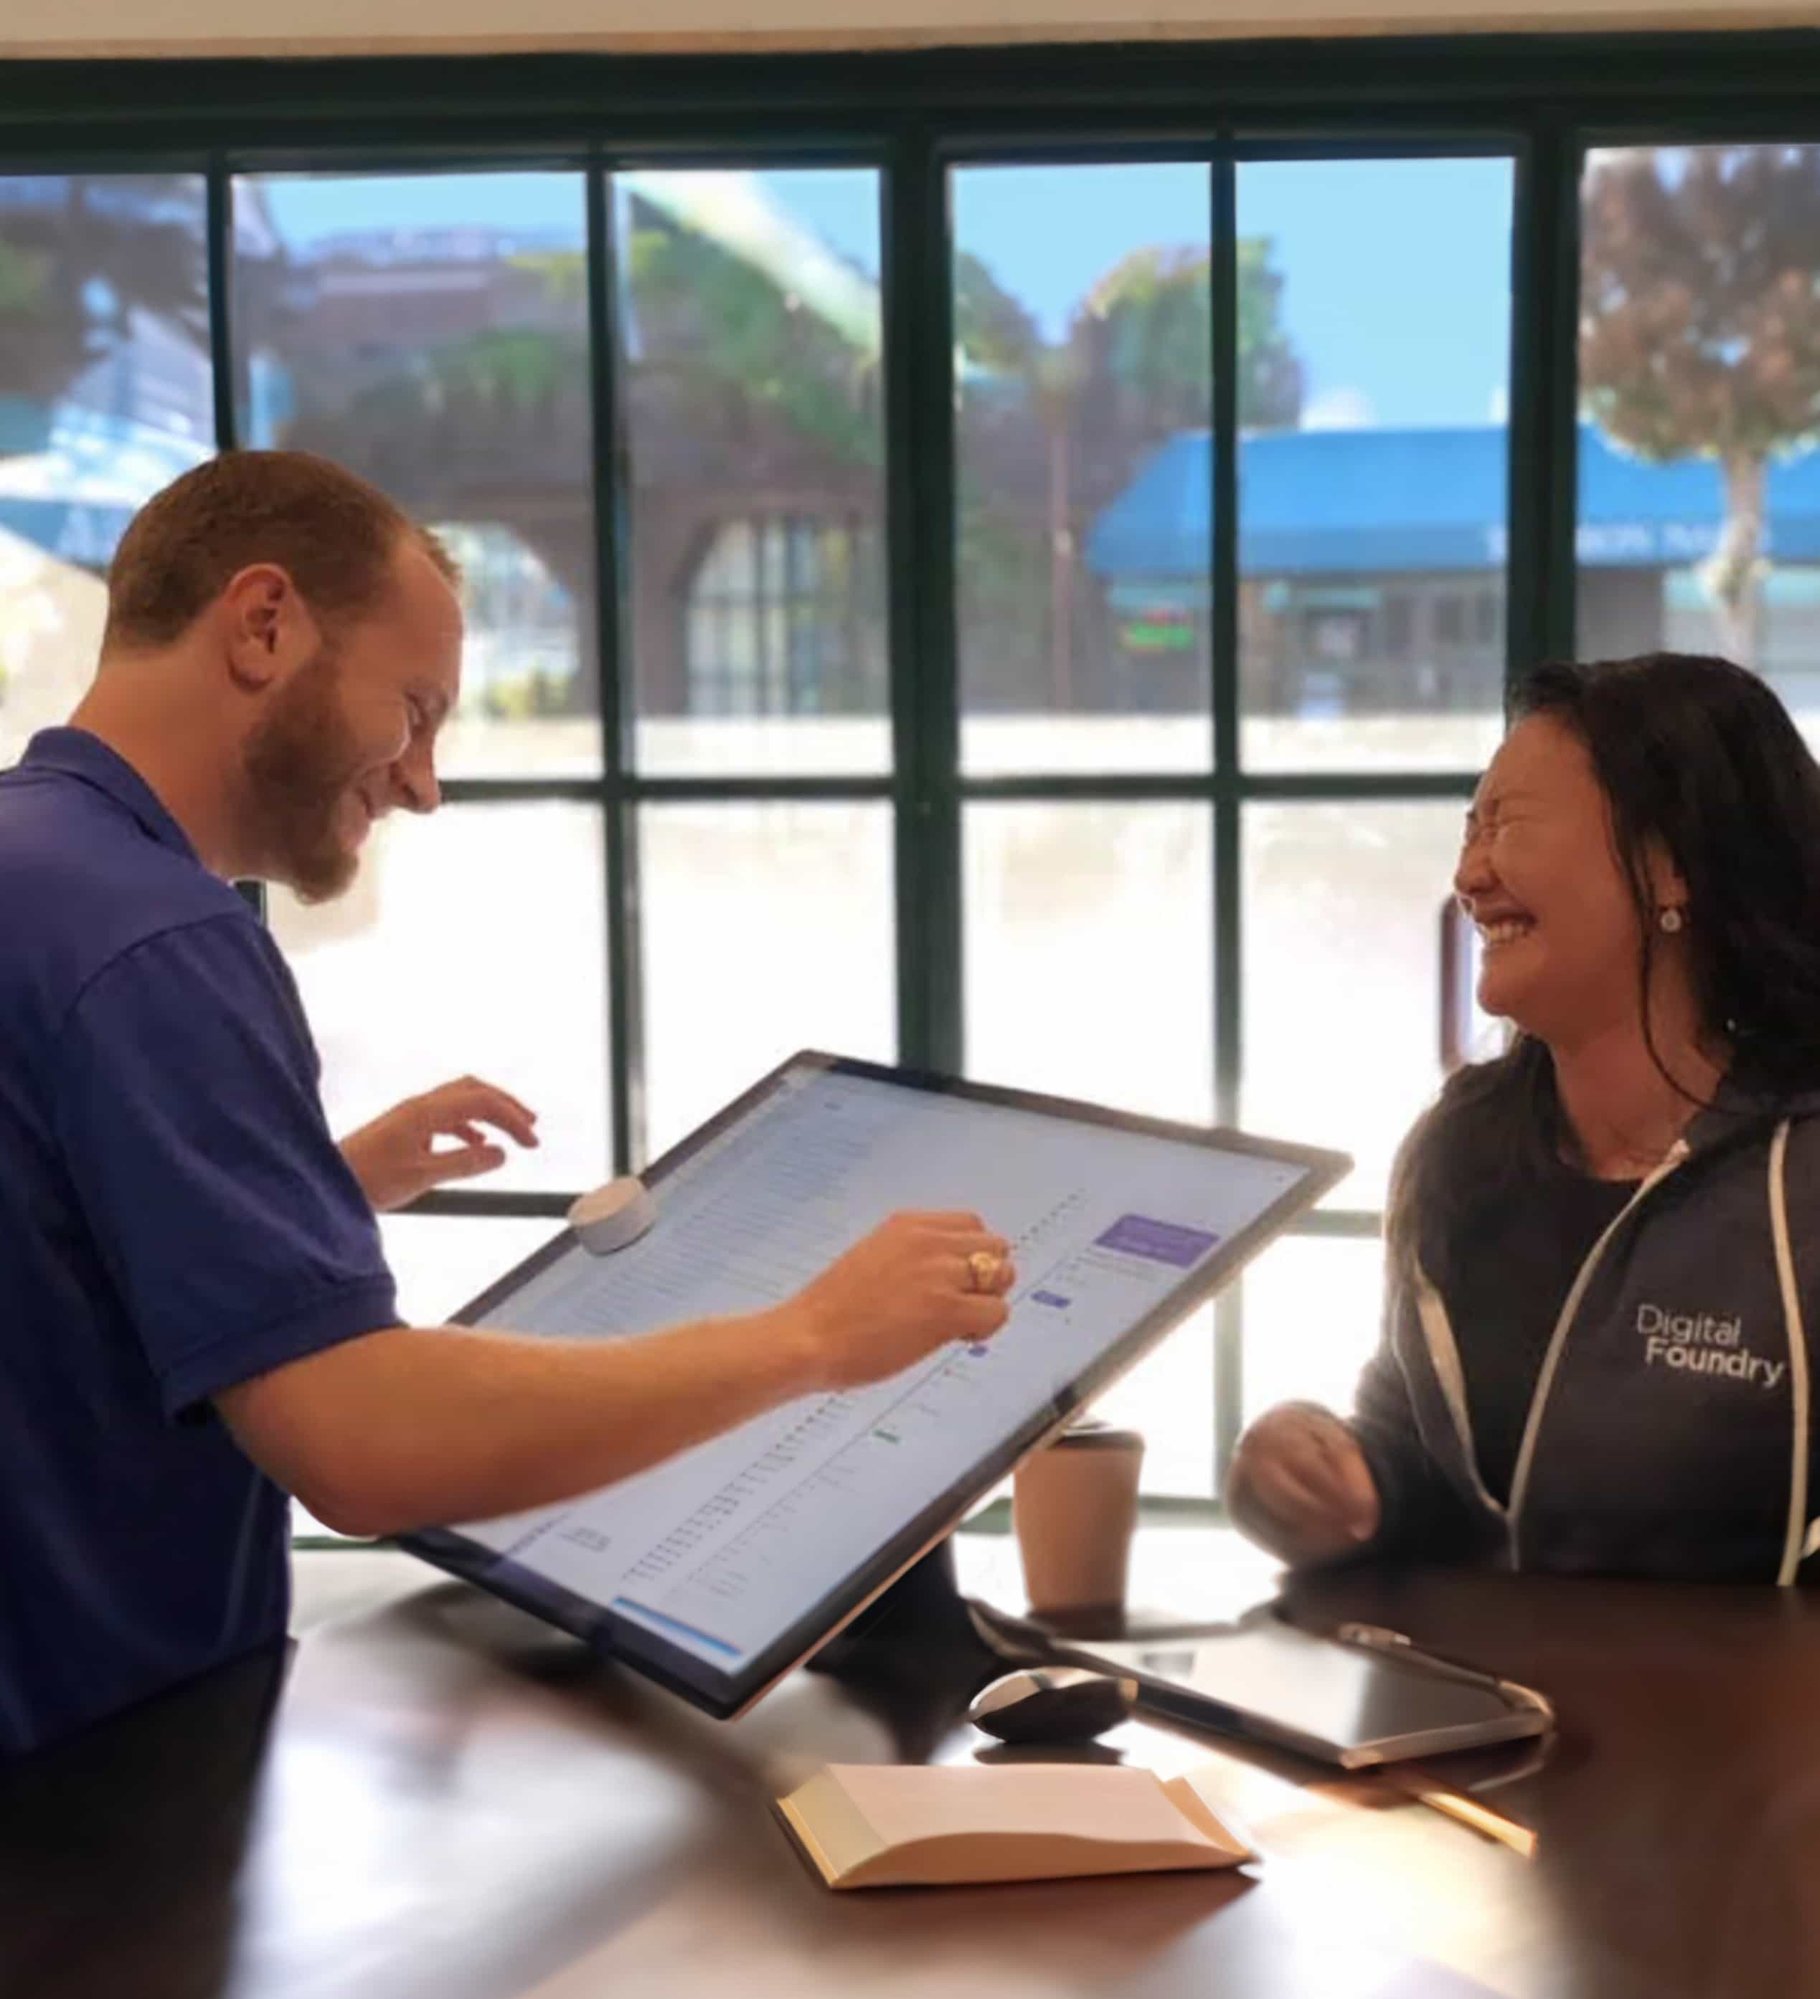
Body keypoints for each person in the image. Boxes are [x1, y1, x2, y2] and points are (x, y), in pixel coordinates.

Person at [0, 450, 1016, 1758]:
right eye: (414, 709)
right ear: (263, 624)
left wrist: (308, 1188)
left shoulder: (34, 869)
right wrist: (816, 1336)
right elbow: (365, 1447)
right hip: (76, 1819)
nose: (423, 779)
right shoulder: (154, 937)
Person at [1229, 651, 1820, 1585]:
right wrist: (1336, 1480)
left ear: (1670, 865)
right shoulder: (1459, 1147)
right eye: (1470, 828)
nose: (1469, 876)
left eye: (1505, 823)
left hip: (1736, 1729)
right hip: (1459, 1724)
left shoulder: (1803, 1175)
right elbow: (1424, 1454)